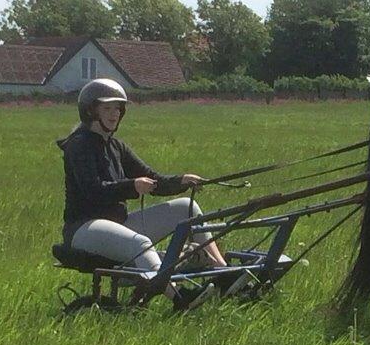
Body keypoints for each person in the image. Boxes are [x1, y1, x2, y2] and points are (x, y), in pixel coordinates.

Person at [57, 78, 249, 310]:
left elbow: (151, 178)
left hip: (119, 223)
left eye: (118, 109)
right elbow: (92, 191)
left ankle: (222, 273)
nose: (114, 114)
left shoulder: (117, 146)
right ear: (90, 110)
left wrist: (181, 181)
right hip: (84, 228)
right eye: (107, 108)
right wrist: (132, 186)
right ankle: (181, 299)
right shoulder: (79, 146)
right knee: (141, 243)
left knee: (187, 208)